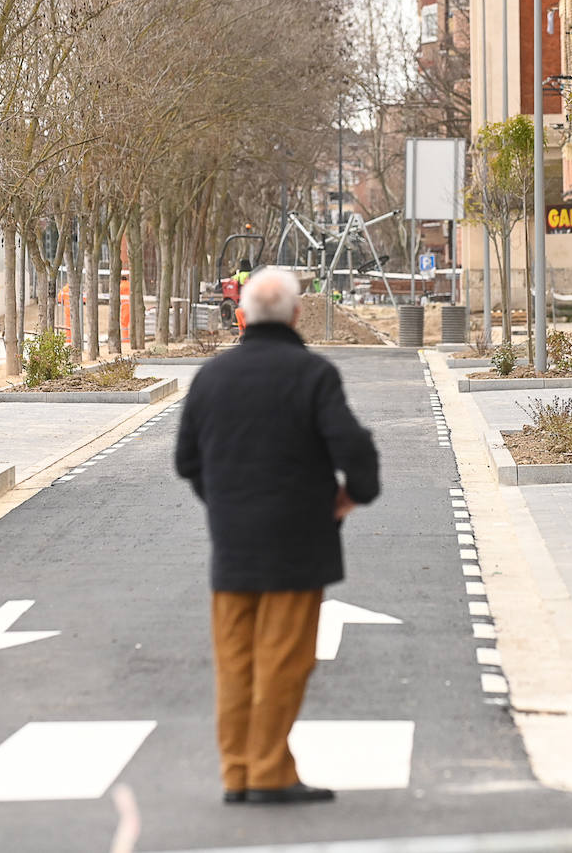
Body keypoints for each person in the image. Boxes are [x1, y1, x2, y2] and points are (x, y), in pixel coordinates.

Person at [175, 267, 380, 804]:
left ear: (242, 315)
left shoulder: (211, 378)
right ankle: (269, 770)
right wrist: (350, 496)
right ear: (294, 314)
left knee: (235, 662)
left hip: (233, 547)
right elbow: (355, 451)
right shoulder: (313, 375)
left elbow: (186, 461)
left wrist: (222, 503)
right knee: (283, 661)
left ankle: (237, 770)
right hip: (299, 544)